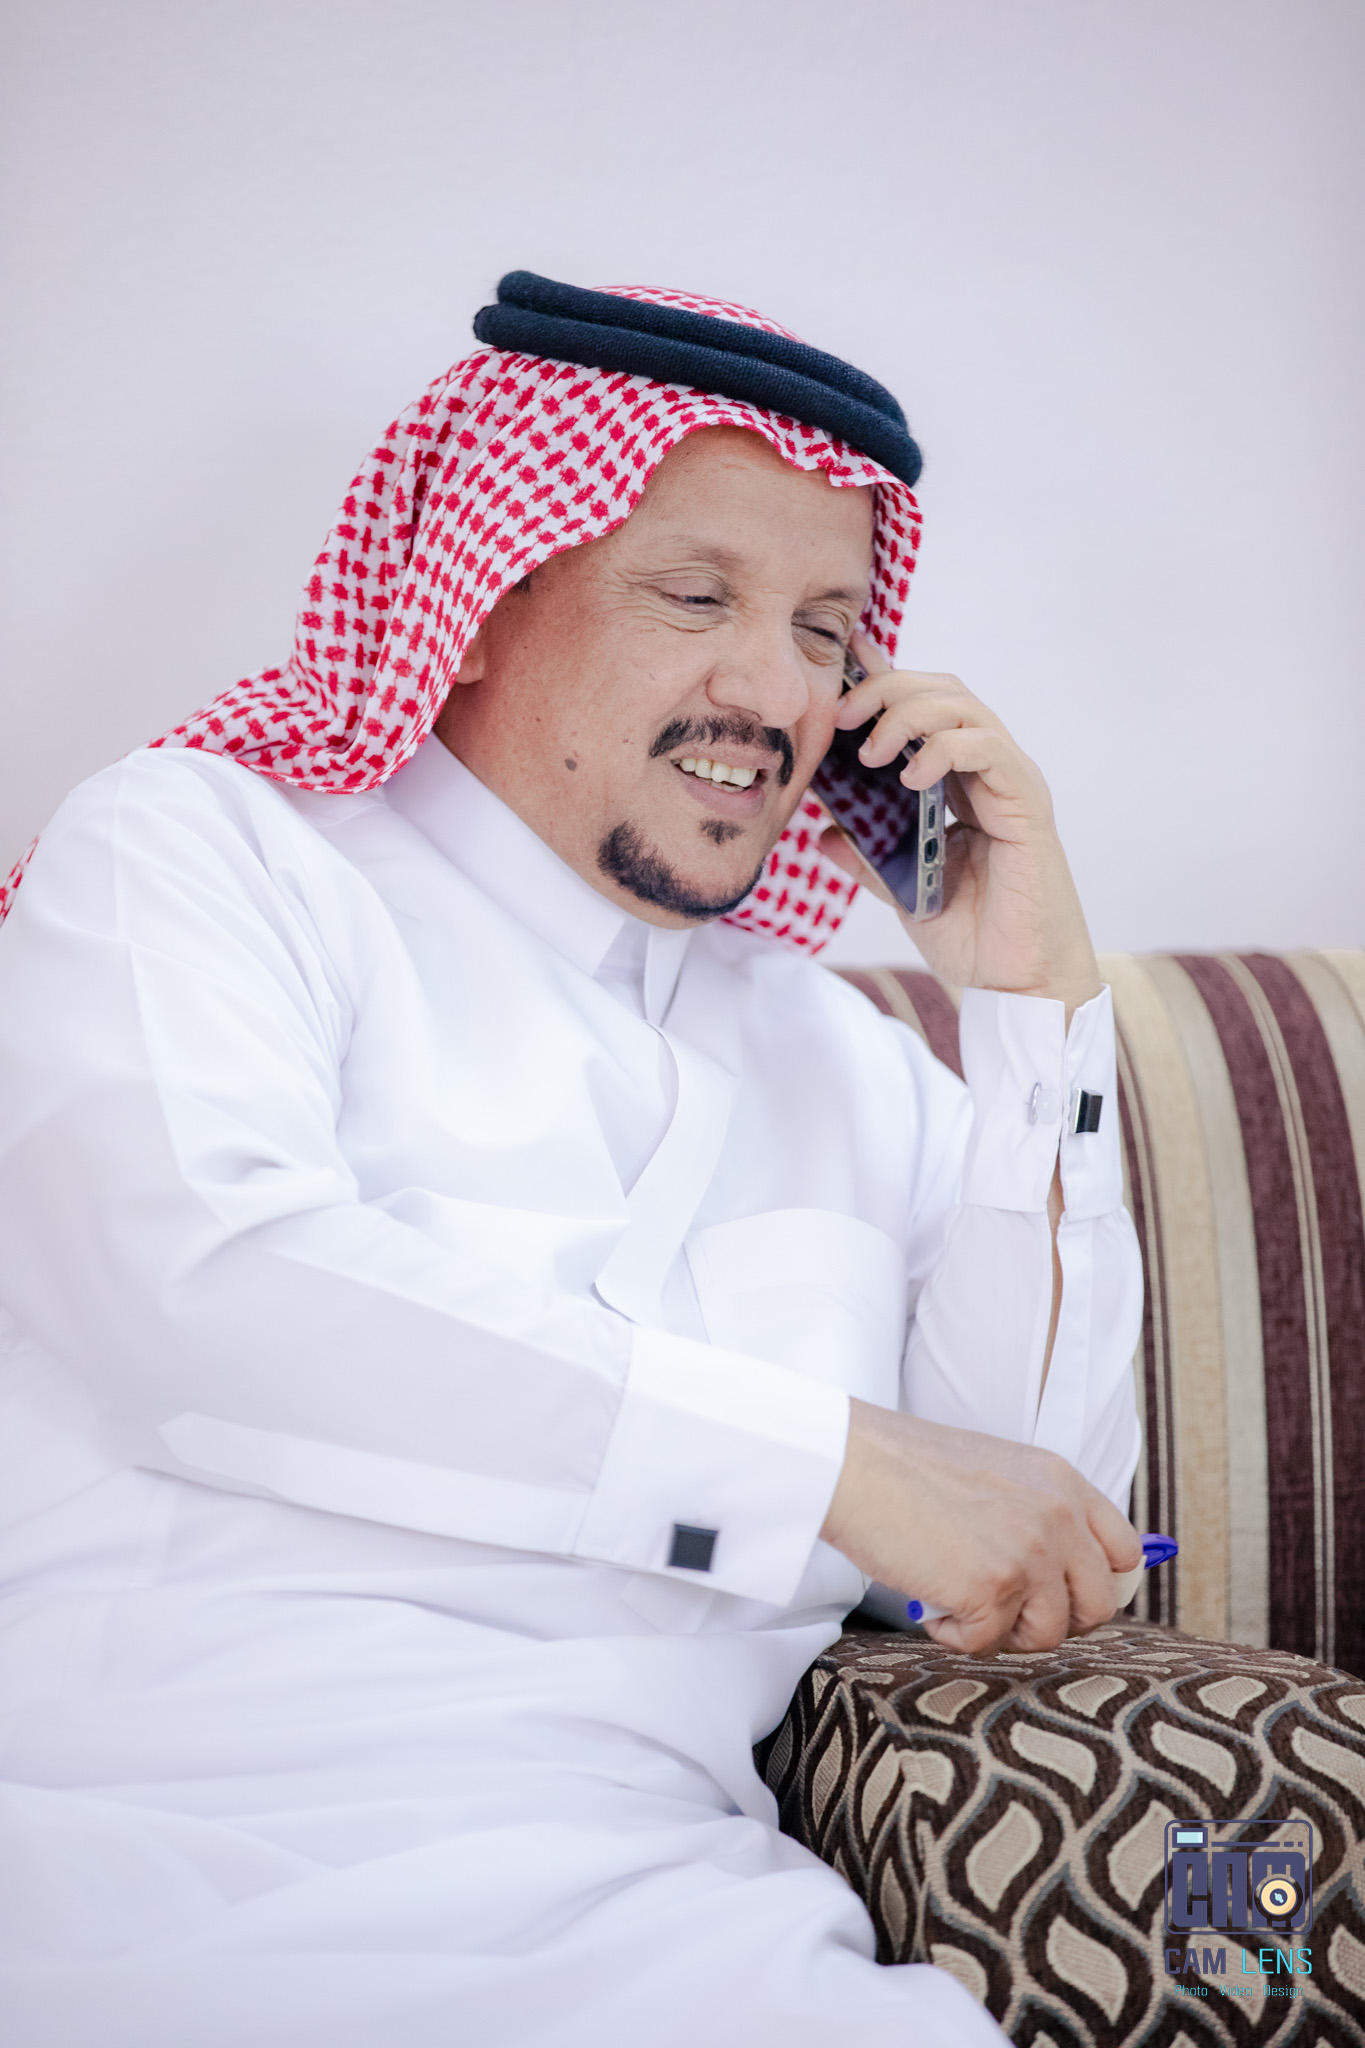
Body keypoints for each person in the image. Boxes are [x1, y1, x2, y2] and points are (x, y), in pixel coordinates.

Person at [0, 275, 1142, 2047]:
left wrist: (1032, 1010)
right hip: (142, 1855)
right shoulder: (204, 855)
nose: (774, 690)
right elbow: (205, 1296)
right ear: (466, 600)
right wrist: (824, 1463)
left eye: (826, 631)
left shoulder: (849, 1060)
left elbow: (1029, 1527)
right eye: (695, 597)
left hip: (664, 1919)